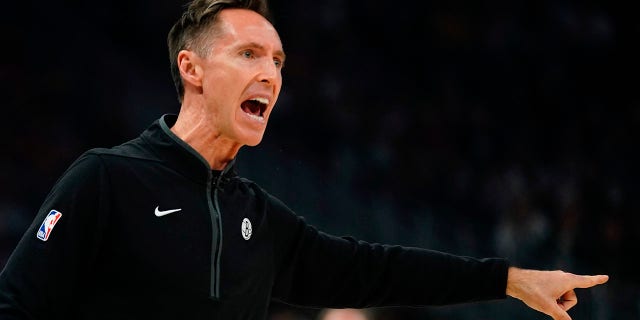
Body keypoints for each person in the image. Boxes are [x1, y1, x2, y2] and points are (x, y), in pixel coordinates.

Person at [0, 0, 609, 319]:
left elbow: (375, 269)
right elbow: (16, 305)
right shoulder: (104, 180)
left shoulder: (259, 220)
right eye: (248, 54)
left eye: (278, 61)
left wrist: (506, 279)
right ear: (191, 69)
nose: (269, 72)